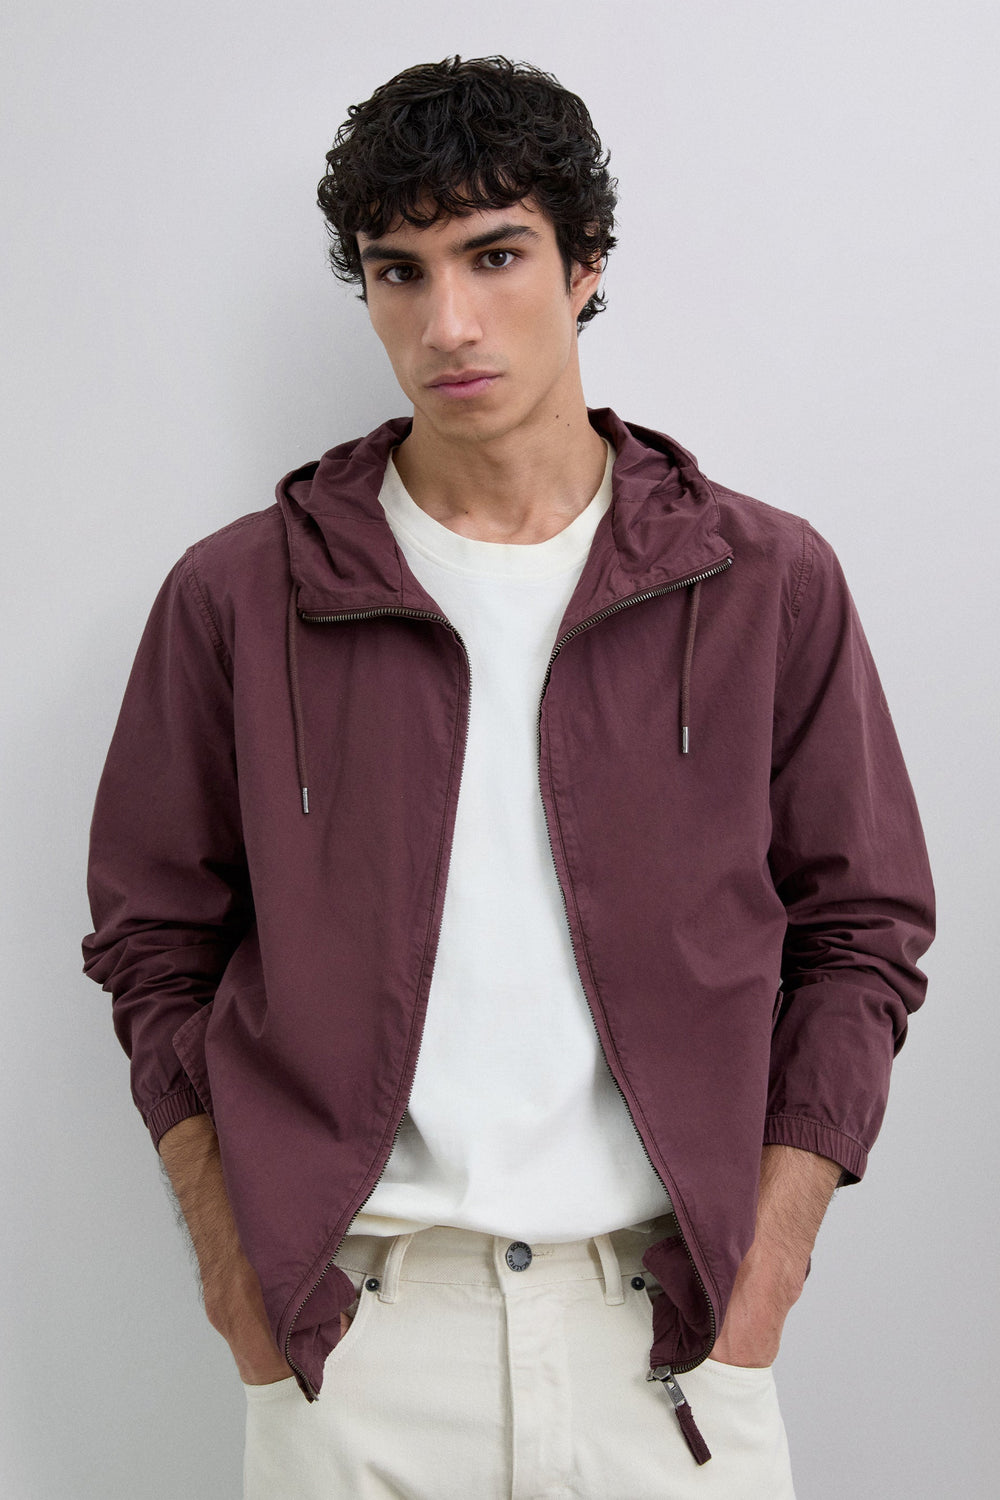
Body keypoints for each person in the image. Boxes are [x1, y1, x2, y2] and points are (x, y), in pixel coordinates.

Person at [83, 55, 935, 1500]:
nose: (447, 324)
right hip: (357, 1348)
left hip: (670, 1343)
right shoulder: (240, 598)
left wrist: (773, 1261)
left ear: (585, 261)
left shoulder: (761, 580)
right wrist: (237, 1274)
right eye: (397, 272)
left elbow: (863, 932)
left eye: (494, 256)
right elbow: (153, 945)